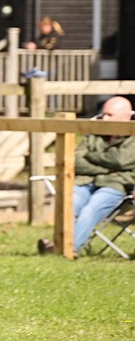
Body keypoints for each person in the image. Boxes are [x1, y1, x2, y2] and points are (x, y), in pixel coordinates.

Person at [38, 96, 135, 257]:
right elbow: (76, 160)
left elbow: (121, 160)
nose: (104, 118)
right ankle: (59, 245)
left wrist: (92, 156)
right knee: (69, 203)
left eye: (110, 115)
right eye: (103, 114)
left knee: (90, 210)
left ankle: (67, 249)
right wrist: (106, 169)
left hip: (116, 185)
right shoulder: (94, 132)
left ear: (125, 117)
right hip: (87, 181)